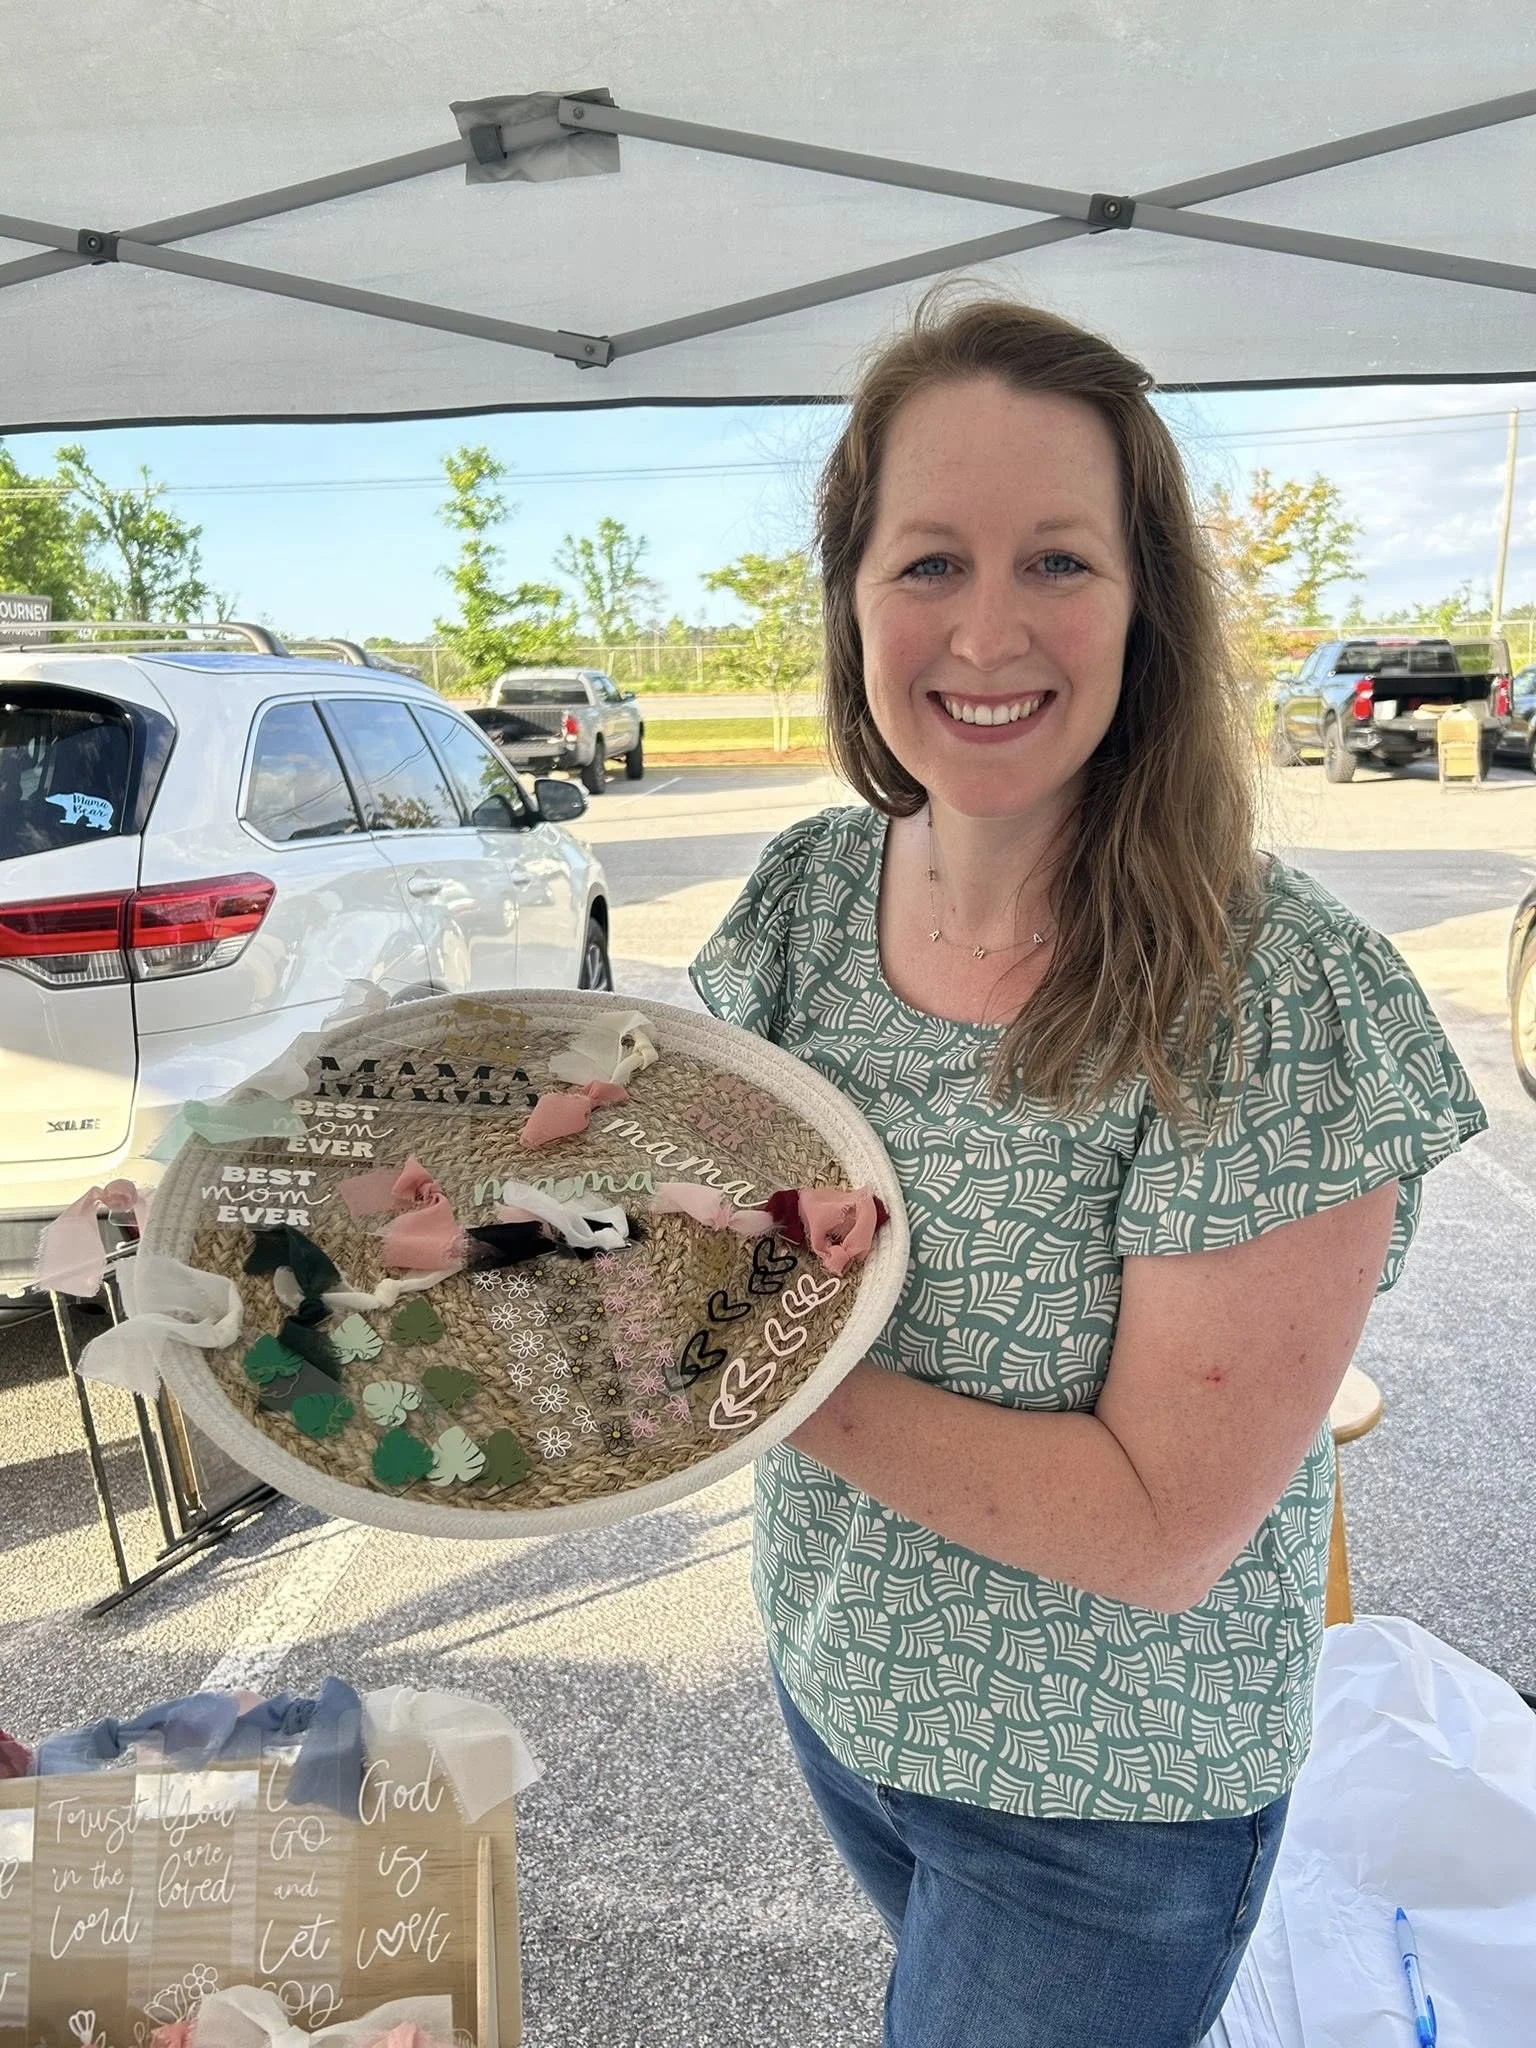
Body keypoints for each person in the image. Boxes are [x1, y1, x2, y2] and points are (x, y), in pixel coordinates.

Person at [689, 291, 1486, 2048]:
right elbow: (731, 1208)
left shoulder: (1270, 993)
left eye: (1058, 561)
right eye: (927, 564)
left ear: (1147, 608)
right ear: (852, 596)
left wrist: (735, 1374)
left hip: (1102, 1804)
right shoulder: (806, 901)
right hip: (844, 1696)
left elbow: (1155, 1531)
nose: (987, 631)